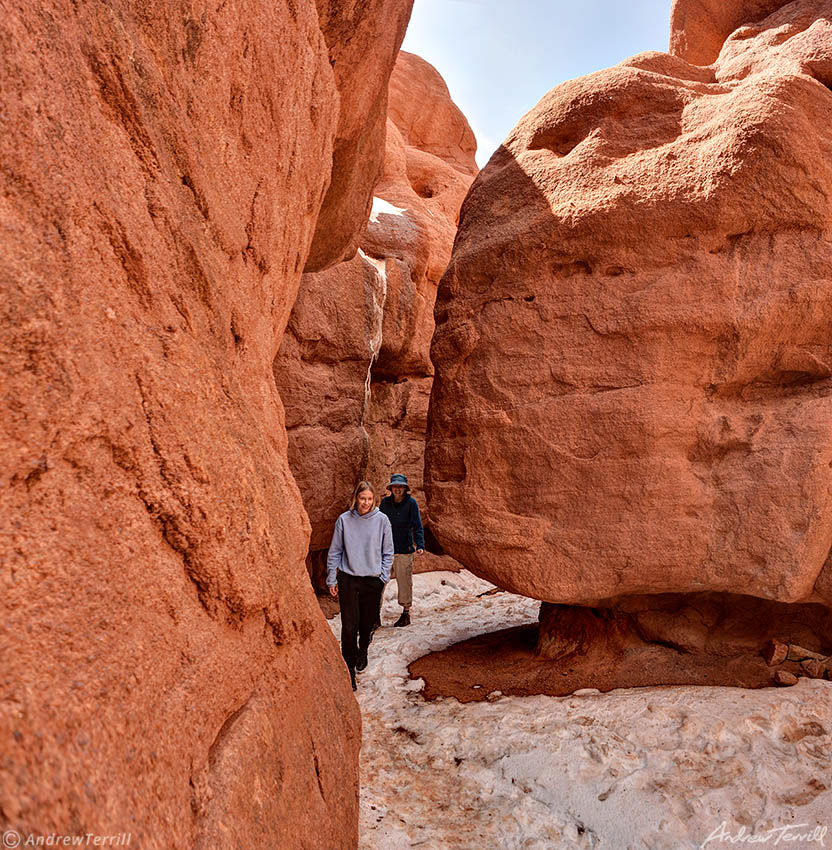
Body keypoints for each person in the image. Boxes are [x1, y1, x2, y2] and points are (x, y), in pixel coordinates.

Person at [326, 480, 393, 691]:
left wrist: (382, 577)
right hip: (348, 579)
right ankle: (349, 670)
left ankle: (363, 649)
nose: (366, 503)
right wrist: (331, 577)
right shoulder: (344, 520)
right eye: (362, 498)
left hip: (372, 581)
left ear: (375, 500)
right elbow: (335, 550)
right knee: (349, 627)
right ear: (356, 498)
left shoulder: (382, 521)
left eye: (369, 499)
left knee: (366, 624)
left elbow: (388, 551)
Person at [379, 473, 425, 627]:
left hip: (404, 549)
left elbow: (417, 525)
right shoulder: (385, 503)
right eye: (395, 486)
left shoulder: (411, 503)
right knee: (377, 582)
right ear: (391, 487)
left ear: (405, 488)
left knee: (404, 581)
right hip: (386, 549)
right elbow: (378, 525)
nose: (397, 489)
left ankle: (405, 613)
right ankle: (373, 615)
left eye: (400, 486)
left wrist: (420, 544)